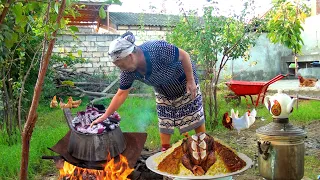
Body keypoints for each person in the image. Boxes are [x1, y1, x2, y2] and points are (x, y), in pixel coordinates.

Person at [90, 31, 206, 151]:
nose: (122, 69)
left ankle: (203, 145)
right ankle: (165, 151)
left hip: (185, 82)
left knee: (195, 116)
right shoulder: (128, 71)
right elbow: (121, 94)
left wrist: (191, 80)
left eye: (122, 65)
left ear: (130, 56)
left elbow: (184, 55)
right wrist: (105, 116)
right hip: (163, 90)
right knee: (165, 120)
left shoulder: (156, 49)